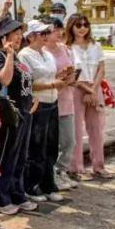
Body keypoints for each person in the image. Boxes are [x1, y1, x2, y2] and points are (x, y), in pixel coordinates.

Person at [0, 15, 37, 215]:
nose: (18, 37)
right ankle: (0, 197)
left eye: (20, 34)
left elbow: (25, 82)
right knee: (7, 156)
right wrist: (8, 54)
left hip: (26, 111)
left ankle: (17, 192)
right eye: (14, 34)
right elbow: (5, 80)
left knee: (21, 156)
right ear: (3, 37)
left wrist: (33, 97)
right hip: (11, 113)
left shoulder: (17, 56)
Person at [17, 20, 66, 203]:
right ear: (30, 37)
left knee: (51, 146)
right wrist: (52, 84)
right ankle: (31, 185)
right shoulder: (25, 55)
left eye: (47, 33)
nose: (46, 36)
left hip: (52, 101)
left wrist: (61, 78)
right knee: (36, 147)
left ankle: (48, 184)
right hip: (38, 103)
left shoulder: (46, 54)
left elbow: (50, 75)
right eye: (42, 34)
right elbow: (27, 84)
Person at [66, 14, 115, 179]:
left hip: (94, 89)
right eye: (78, 25)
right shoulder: (67, 48)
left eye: (85, 24)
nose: (82, 28)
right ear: (71, 27)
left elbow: (101, 69)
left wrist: (93, 90)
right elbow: (70, 74)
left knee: (96, 129)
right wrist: (86, 89)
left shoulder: (95, 46)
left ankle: (99, 166)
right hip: (76, 88)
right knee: (76, 130)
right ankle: (76, 168)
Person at [43, 17, 79, 191]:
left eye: (59, 29)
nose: (58, 32)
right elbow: (41, 79)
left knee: (69, 140)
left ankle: (61, 170)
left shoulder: (65, 49)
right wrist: (58, 78)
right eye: (54, 30)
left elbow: (73, 73)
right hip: (50, 99)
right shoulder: (42, 52)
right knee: (51, 142)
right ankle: (51, 174)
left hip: (66, 98)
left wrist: (71, 77)